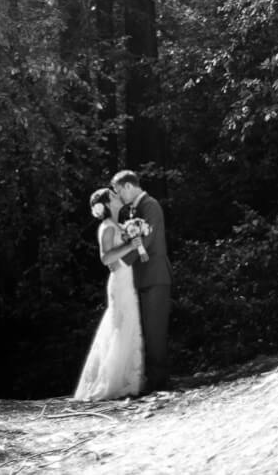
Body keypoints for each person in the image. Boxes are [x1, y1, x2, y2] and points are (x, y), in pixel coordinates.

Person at [73, 186, 146, 401]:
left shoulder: (116, 224)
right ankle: (113, 382)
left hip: (126, 276)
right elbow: (105, 259)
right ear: (105, 204)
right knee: (121, 324)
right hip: (119, 280)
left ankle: (128, 378)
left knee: (129, 323)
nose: (117, 197)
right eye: (113, 196)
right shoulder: (107, 227)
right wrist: (130, 245)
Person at [112, 169, 172, 394]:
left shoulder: (151, 205)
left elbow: (146, 240)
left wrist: (122, 261)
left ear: (129, 186)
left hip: (155, 274)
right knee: (148, 327)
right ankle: (154, 376)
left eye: (119, 191)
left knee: (155, 328)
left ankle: (159, 380)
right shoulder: (134, 210)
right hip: (144, 276)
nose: (120, 197)